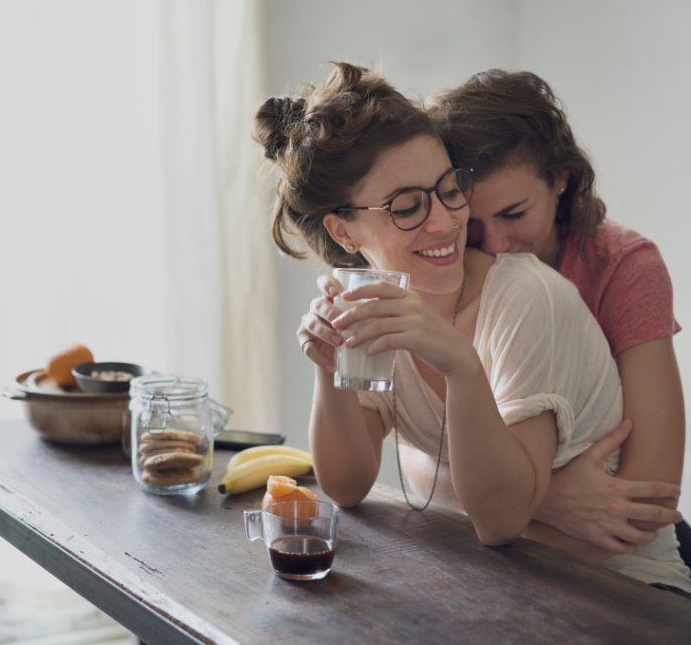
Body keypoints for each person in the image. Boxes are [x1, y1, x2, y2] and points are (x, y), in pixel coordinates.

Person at [253, 62, 691, 596]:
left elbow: (511, 518)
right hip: (499, 576)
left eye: (448, 190)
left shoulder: (544, 290)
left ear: (559, 182)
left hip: (614, 586)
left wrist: (461, 364)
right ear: (343, 231)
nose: (450, 224)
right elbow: (347, 486)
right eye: (409, 206)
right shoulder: (375, 298)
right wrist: (329, 366)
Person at [423, 71, 689, 581]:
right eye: (472, 226)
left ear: (561, 178)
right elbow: (418, 455)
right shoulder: (447, 267)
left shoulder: (624, 267)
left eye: (514, 214)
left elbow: (648, 499)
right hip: (506, 558)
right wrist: (548, 499)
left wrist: (513, 499)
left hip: (615, 570)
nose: (495, 245)